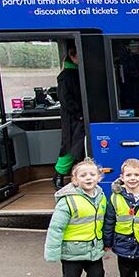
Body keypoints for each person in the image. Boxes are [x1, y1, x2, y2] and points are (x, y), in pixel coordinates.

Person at [44, 159, 107, 277]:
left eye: (92, 174)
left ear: (99, 177)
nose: (88, 178)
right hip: (72, 252)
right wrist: (52, 252)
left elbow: (104, 222)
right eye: (83, 175)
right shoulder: (68, 200)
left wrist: (107, 241)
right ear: (75, 179)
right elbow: (56, 228)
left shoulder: (101, 196)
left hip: (93, 249)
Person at [53, 46, 85, 190]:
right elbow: (65, 99)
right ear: (72, 56)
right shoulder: (66, 76)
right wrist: (78, 114)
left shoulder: (76, 73)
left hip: (78, 118)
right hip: (73, 119)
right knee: (71, 148)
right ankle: (59, 175)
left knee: (78, 148)